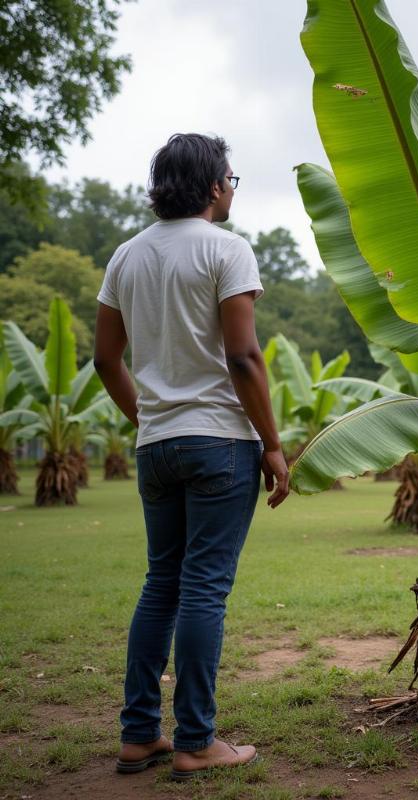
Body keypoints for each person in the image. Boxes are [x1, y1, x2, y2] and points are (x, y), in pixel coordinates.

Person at [93, 132, 289, 781]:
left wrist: (148, 418)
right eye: (231, 178)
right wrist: (274, 444)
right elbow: (242, 357)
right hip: (220, 445)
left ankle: (139, 735)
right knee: (204, 588)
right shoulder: (226, 250)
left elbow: (106, 358)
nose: (233, 189)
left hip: (158, 447)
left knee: (162, 586)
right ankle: (196, 741)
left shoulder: (126, 255)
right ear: (213, 186)